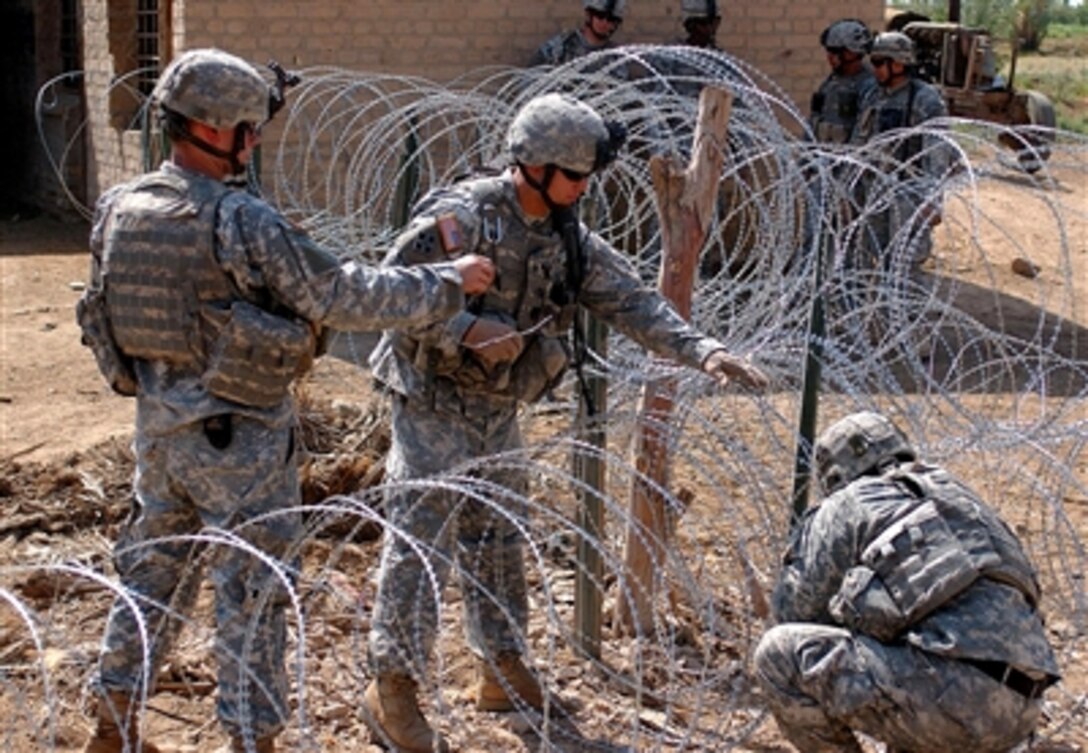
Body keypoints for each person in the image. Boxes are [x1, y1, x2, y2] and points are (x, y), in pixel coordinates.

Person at [75, 48, 494, 753]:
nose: (257, 137)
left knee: (152, 573)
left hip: (158, 431)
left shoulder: (121, 206)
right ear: (225, 129)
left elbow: (100, 313)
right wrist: (448, 280)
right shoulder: (241, 220)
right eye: (251, 125)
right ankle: (252, 739)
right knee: (255, 590)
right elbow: (342, 294)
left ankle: (113, 721)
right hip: (241, 439)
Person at [362, 92, 769, 753]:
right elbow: (388, 295)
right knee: (421, 539)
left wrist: (704, 350)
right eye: (575, 175)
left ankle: (501, 662)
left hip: (496, 405)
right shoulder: (462, 218)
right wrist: (464, 327)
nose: (584, 188)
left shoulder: (568, 239)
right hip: (433, 397)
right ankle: (392, 686)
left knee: (497, 534)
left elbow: (631, 299)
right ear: (534, 166)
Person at [754, 411, 1061, 753]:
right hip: (1022, 710)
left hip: (951, 706)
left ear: (835, 473)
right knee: (904, 640)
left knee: (777, 654)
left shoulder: (850, 502)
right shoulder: (959, 496)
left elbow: (794, 612)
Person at [849, 32, 950, 356]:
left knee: (907, 265)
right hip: (874, 190)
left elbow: (936, 152)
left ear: (900, 63)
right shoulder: (873, 95)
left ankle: (917, 337)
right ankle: (884, 330)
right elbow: (860, 142)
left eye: (880, 62)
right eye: (874, 62)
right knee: (875, 260)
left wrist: (932, 201)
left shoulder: (924, 99)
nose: (874, 68)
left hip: (909, 191)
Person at [808, 19, 877, 144]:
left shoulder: (869, 86)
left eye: (835, 51)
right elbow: (813, 124)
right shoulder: (829, 84)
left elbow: (863, 134)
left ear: (851, 53)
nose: (829, 56)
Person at [529, 0, 626, 67]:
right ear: (589, 15)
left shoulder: (616, 57)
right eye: (600, 16)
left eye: (611, 19)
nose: (605, 23)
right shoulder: (560, 48)